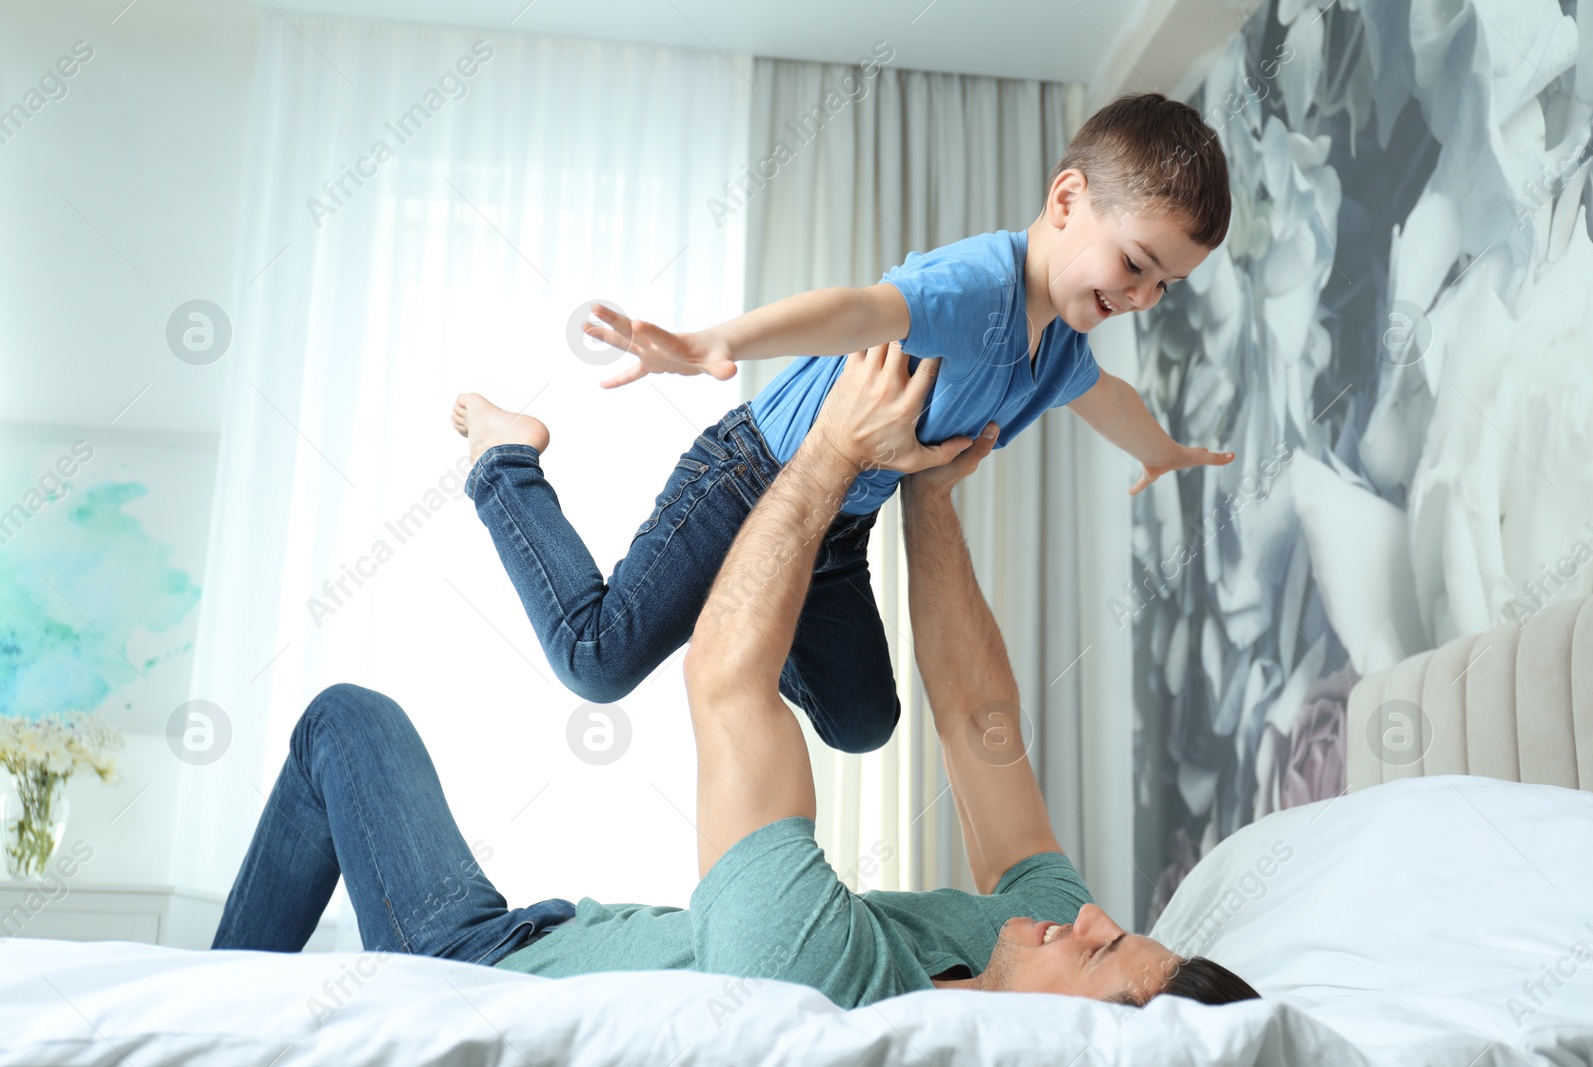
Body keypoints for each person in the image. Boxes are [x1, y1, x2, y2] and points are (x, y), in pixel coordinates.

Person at [214, 343, 1258, 1010]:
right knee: (861, 717)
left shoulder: (822, 990)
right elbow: (981, 719)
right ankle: (833, 539)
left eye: (1090, 951)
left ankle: (194, 1005)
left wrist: (833, 457)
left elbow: (723, 679)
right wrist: (929, 495)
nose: (1082, 916)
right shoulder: (1022, 937)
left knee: (350, 722)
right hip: (558, 920)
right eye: (1109, 929)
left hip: (475, 959)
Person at [451, 92, 1237, 756]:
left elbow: (1110, 398)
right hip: (749, 481)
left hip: (835, 529)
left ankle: (754, 614)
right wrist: (713, 341)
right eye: (1135, 265)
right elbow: (856, 309)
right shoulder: (975, 288)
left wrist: (1162, 451)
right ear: (1067, 202)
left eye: (1165, 285)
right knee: (596, 660)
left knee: (864, 725)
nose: (1141, 297)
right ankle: (505, 457)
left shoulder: (1061, 347)